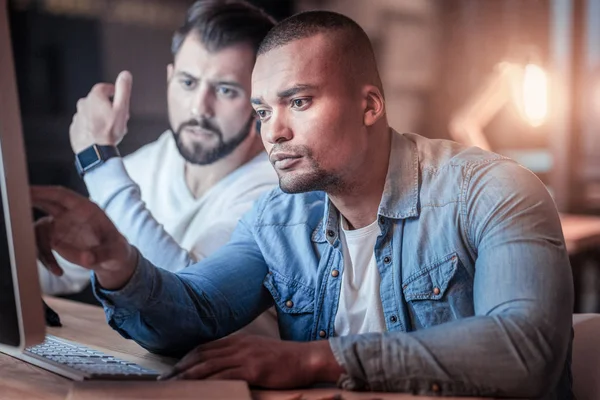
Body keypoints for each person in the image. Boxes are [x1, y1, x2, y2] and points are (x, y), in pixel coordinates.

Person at [32, 10, 574, 398]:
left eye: (299, 101)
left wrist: (319, 357)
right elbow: (193, 314)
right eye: (264, 111)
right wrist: (115, 260)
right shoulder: (279, 217)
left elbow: (523, 350)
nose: (276, 131)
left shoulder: (495, 191)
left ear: (369, 105)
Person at [37, 0, 279, 338]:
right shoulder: (151, 162)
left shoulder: (278, 190)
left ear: (262, 100)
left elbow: (187, 299)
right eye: (188, 82)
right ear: (169, 78)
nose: (199, 107)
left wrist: (99, 160)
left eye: (225, 90)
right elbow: (57, 267)